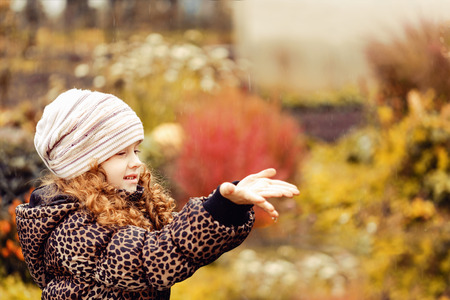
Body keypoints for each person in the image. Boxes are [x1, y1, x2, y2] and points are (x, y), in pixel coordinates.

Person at [15, 89, 300, 300]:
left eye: (135, 150)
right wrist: (217, 208)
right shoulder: (71, 230)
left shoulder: (118, 206)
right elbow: (151, 257)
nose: (136, 162)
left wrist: (229, 207)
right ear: (81, 165)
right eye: (120, 153)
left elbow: (178, 240)